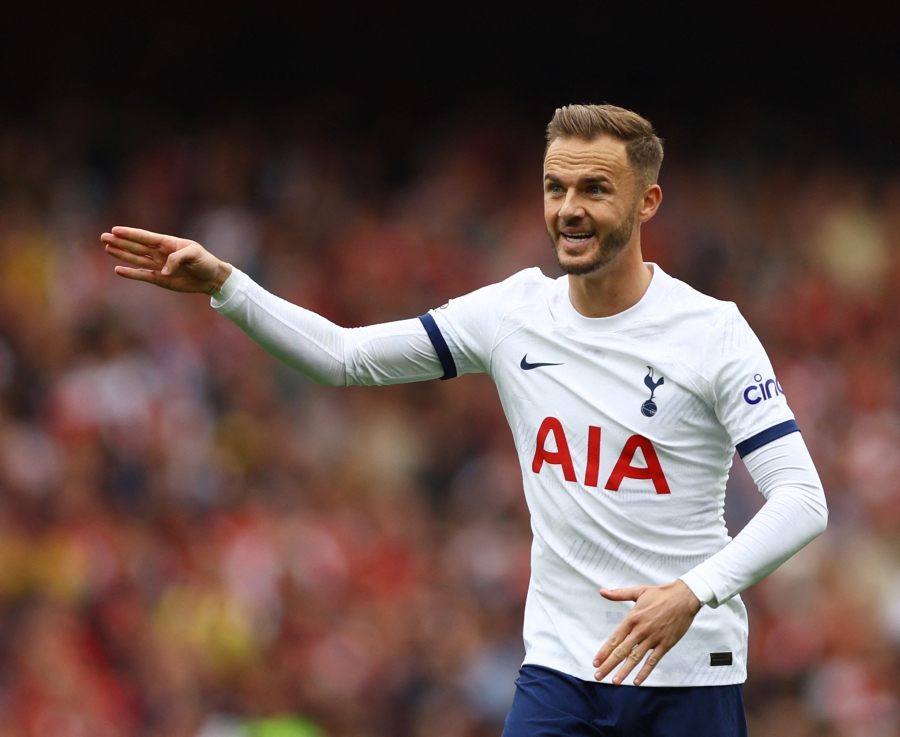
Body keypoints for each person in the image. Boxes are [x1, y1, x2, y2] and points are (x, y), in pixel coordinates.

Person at [102, 104, 827, 736]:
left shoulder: (711, 331)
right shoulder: (511, 313)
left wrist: (691, 593)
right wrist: (228, 286)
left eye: (595, 189)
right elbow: (346, 357)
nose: (569, 207)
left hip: (690, 669)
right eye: (556, 187)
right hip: (561, 668)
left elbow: (802, 499)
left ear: (647, 202)